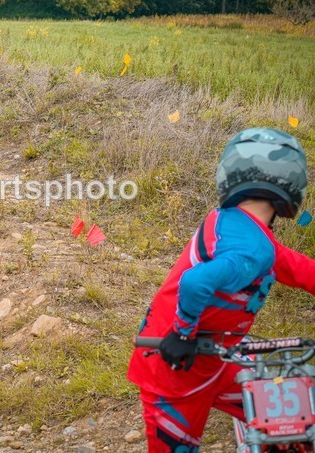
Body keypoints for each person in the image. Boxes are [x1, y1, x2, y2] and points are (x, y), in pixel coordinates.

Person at [127, 127, 315, 452]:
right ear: (291, 185)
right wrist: (183, 333)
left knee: (286, 420)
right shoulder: (250, 247)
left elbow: (298, 269)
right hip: (174, 370)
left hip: (216, 364)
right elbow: (195, 281)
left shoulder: (239, 227)